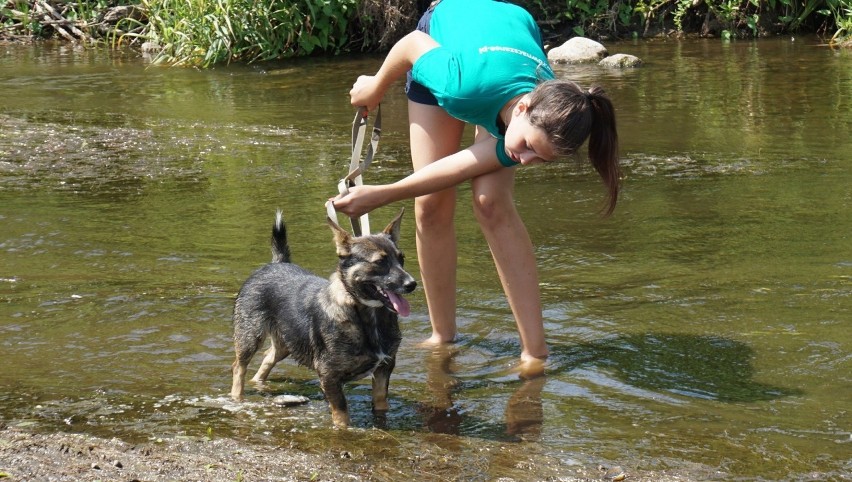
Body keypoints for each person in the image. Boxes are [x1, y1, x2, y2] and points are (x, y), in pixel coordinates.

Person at [331, 0, 620, 378]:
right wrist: (375, 87)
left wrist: (384, 192)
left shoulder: (547, 108)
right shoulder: (459, 84)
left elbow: (471, 163)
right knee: (431, 204)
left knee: (492, 203)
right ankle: (442, 335)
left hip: (511, 30)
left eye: (542, 160)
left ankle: (536, 350)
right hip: (445, 36)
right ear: (522, 109)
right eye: (530, 147)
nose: (527, 160)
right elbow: (412, 44)